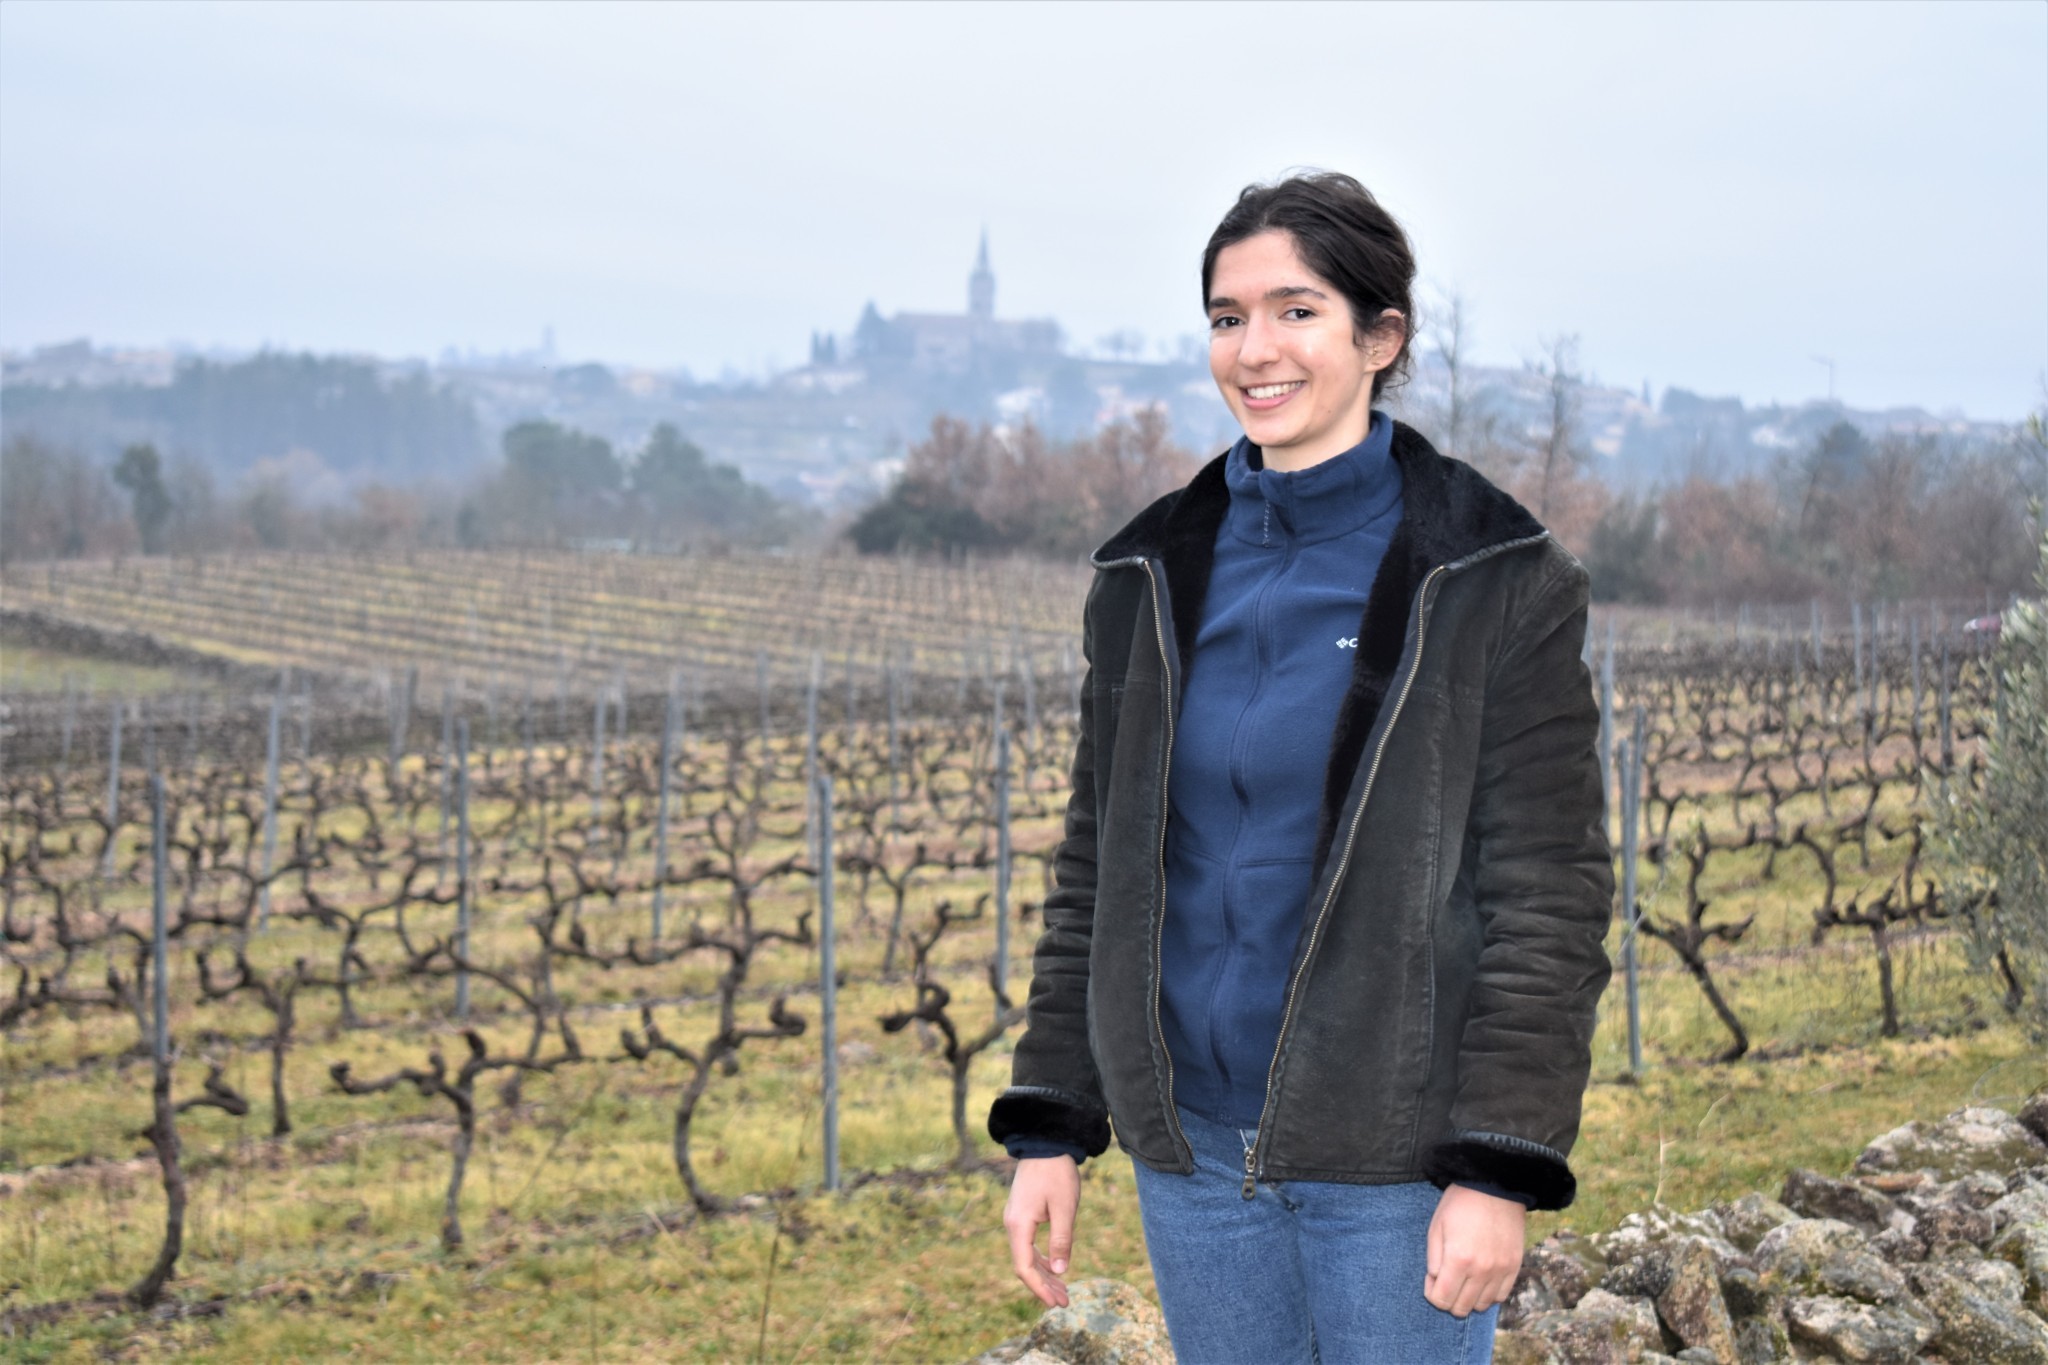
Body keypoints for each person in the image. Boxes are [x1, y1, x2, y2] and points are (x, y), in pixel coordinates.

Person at [986, 171, 1614, 1364]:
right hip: (1190, 1160)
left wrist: (1496, 1164)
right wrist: (1053, 1125)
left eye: (1295, 311)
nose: (1252, 350)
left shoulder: (1490, 578)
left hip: (1395, 1164)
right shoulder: (1144, 576)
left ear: (1381, 337)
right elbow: (1095, 872)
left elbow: (1549, 896)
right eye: (1226, 318)